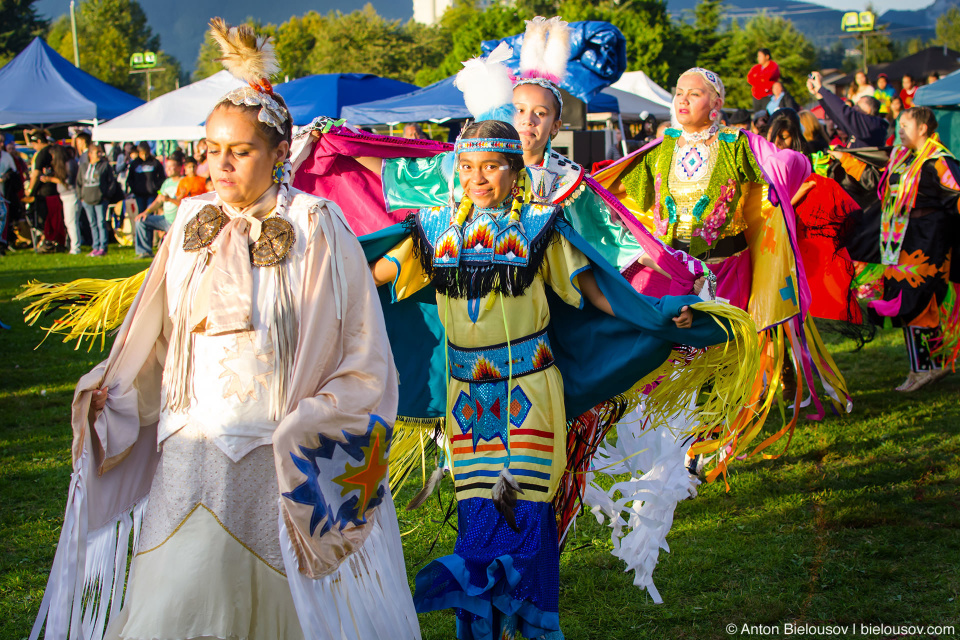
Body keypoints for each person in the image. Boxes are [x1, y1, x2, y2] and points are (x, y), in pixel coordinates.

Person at [29, 18, 421, 640]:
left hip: (276, 444)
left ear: (276, 154)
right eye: (211, 149)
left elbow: (363, 348)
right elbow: (160, 335)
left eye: (239, 152)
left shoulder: (316, 224)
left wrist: (316, 418)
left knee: (277, 599)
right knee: (180, 588)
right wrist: (118, 390)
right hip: (192, 442)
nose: (219, 165)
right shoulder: (190, 221)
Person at [366, 49, 754, 637]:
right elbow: (377, 276)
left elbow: (596, 290)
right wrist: (324, 276)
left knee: (524, 508)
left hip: (531, 389)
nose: (478, 177)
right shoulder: (432, 232)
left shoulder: (541, 230)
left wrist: (655, 314)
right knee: (475, 507)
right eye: (468, 167)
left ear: (514, 173)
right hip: (467, 396)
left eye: (491, 167)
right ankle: (483, 619)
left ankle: (530, 619)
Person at [845, 106, 959, 391]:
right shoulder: (901, 158)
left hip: (929, 241)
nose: (899, 130)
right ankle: (931, 365)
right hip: (899, 240)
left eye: (905, 124)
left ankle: (922, 369)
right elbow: (878, 184)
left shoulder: (938, 160)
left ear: (923, 128)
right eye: (898, 124)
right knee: (910, 301)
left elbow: (956, 195)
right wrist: (848, 161)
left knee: (917, 301)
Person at [807, 71, 888, 148]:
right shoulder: (858, 126)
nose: (855, 108)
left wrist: (821, 88)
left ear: (869, 109)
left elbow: (843, 111)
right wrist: (818, 95)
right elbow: (836, 116)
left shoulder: (873, 124)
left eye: (858, 105)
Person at [133, 155, 181, 258]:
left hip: (178, 222)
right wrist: (146, 212)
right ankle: (145, 252)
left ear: (179, 167)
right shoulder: (167, 182)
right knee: (141, 220)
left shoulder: (184, 182)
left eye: (171, 166)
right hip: (165, 219)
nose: (167, 169)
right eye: (166, 167)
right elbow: (159, 200)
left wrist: (169, 199)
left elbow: (185, 203)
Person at [24, 130, 64, 250]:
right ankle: (56, 241)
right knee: (56, 218)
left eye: (34, 144)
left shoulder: (42, 153)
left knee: (45, 220)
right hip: (58, 190)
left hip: (45, 192)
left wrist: (30, 189)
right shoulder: (56, 150)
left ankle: (48, 241)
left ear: (40, 141)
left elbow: (36, 174)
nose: (34, 147)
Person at [77, 143, 114, 256]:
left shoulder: (104, 166)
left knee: (101, 223)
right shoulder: (83, 167)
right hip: (87, 200)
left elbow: (111, 182)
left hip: (100, 199)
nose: (99, 154)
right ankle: (95, 246)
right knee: (92, 224)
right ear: (90, 154)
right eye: (97, 152)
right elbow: (78, 182)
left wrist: (106, 195)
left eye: (100, 152)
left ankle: (103, 247)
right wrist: (81, 197)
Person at [46, 144, 82, 254]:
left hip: (71, 195)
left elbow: (68, 181)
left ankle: (75, 248)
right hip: (66, 196)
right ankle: (73, 245)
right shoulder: (65, 164)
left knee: (71, 222)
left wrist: (50, 179)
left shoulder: (69, 164)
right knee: (69, 222)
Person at [128, 141, 165, 215]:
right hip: (139, 194)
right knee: (141, 213)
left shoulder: (154, 162)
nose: (144, 156)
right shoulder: (135, 164)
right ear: (139, 153)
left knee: (149, 213)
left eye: (146, 154)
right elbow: (130, 179)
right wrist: (135, 189)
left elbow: (162, 177)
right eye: (142, 154)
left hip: (151, 193)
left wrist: (155, 187)